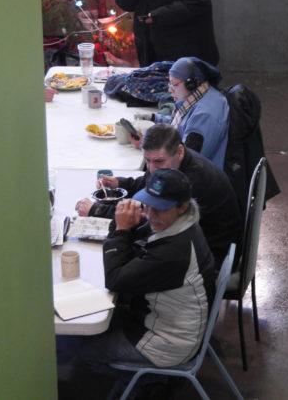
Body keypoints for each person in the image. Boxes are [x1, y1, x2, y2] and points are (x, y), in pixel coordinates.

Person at [57, 169, 216, 386]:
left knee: (87, 354)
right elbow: (137, 247)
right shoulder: (182, 225)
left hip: (167, 343)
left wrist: (121, 230)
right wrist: (121, 223)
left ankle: (150, 382)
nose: (151, 214)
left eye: (160, 209)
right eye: (148, 205)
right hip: (162, 319)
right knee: (96, 321)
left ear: (182, 207)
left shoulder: (172, 253)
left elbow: (114, 279)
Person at [77, 123, 242, 266]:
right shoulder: (173, 162)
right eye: (147, 161)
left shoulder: (191, 180)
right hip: (193, 243)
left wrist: (97, 210)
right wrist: (121, 183)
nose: (152, 168)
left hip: (211, 255)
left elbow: (146, 216)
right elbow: (150, 183)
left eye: (158, 161)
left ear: (179, 151)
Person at [134, 56, 229, 168]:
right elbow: (183, 123)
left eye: (174, 84)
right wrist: (153, 118)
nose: (170, 90)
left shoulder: (205, 115)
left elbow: (184, 160)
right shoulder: (203, 94)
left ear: (191, 84)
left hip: (197, 180)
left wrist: (144, 146)